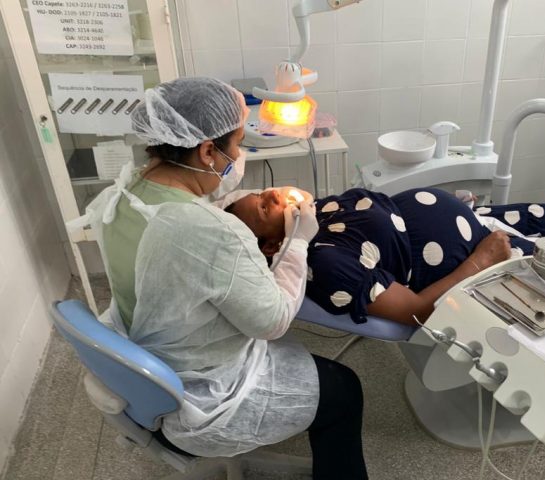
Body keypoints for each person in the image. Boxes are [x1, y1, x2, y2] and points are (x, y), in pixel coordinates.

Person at [87, 77, 367, 479]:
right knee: (345, 390)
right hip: (202, 398)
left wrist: (243, 206)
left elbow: (188, 225)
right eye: (236, 144)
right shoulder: (213, 232)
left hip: (147, 369)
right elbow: (272, 322)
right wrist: (297, 243)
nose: (238, 156)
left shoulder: (126, 193)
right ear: (206, 151)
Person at [226, 187, 545, 326]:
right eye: (266, 208)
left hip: (474, 223)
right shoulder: (323, 263)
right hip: (471, 259)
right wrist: (482, 260)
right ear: (271, 246)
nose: (273, 195)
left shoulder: (314, 211)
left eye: (264, 193)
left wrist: (453, 209)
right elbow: (414, 311)